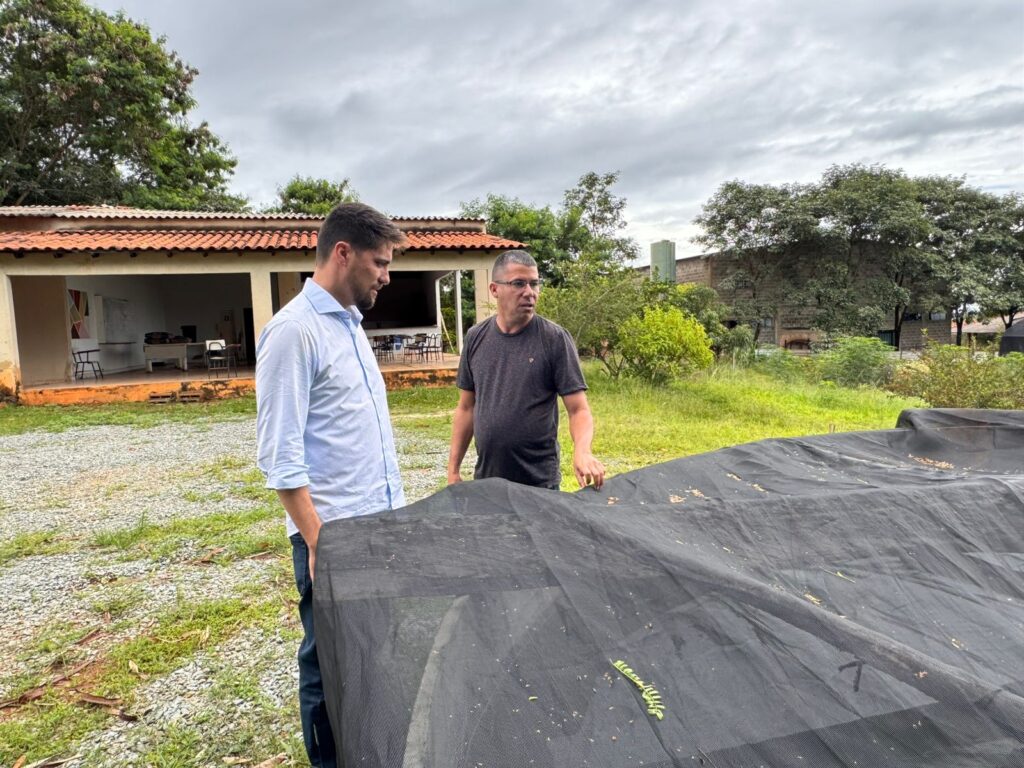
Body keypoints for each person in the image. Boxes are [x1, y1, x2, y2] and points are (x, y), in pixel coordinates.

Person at [256, 202, 407, 768]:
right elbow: (280, 458)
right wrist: (319, 541)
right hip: (335, 536)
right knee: (328, 665)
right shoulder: (293, 332)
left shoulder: (349, 325)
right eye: (380, 262)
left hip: (378, 524)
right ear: (342, 253)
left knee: (374, 654)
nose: (386, 276)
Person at [447, 250, 605, 490]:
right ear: (494, 289)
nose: (529, 292)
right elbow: (466, 407)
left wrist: (582, 451)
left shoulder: (554, 339)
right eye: (518, 283)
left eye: (534, 284)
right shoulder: (476, 337)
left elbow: (578, 410)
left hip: (539, 482)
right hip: (488, 481)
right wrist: (453, 471)